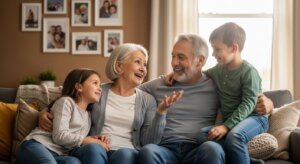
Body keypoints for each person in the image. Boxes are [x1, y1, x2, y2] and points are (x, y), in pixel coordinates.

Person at [138, 34, 274, 164]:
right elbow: (129, 91)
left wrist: (268, 103)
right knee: (148, 151)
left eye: (181, 57)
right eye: (173, 56)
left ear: (200, 61)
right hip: (165, 148)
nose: (174, 63)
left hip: (198, 148)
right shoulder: (160, 84)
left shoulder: (216, 84)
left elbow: (246, 98)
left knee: (213, 148)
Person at [39, 43, 183, 164]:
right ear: (119, 66)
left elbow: (148, 142)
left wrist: (160, 113)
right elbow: (70, 98)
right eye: (137, 62)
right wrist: (44, 112)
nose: (143, 69)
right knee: (94, 149)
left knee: (125, 155)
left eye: (145, 65)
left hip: (127, 151)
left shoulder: (147, 100)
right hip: (94, 148)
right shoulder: (97, 91)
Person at [197, 22, 268, 164]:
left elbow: (248, 104)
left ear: (234, 48)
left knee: (235, 136)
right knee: (202, 135)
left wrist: (226, 126)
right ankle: (245, 159)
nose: (213, 54)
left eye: (217, 49)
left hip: (254, 119)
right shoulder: (219, 70)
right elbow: (199, 75)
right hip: (234, 123)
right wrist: (172, 76)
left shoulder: (249, 72)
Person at [16, 68, 109, 164]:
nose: (100, 88)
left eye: (99, 84)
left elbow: (75, 137)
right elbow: (59, 135)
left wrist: (94, 139)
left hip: (59, 154)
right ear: (79, 87)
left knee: (74, 162)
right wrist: (86, 140)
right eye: (95, 83)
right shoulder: (66, 102)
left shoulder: (88, 114)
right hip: (38, 145)